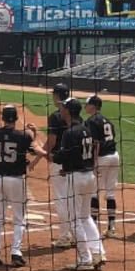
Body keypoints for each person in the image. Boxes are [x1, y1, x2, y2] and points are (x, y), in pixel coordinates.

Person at [0, 105, 45, 267]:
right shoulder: (23, 136)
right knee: (18, 218)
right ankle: (16, 253)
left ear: (2, 118)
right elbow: (38, 151)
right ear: (16, 118)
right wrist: (34, 135)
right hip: (16, 180)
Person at [51, 99, 105, 271]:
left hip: (76, 179)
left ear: (68, 111)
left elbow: (60, 157)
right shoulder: (85, 129)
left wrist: (39, 150)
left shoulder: (69, 133)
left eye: (63, 108)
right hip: (88, 176)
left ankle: (85, 259)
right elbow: (79, 154)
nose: (61, 110)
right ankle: (98, 252)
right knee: (85, 217)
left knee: (74, 220)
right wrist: (66, 168)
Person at [84, 95, 121, 237]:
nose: (85, 107)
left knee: (94, 192)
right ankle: (111, 228)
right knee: (110, 193)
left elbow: (96, 143)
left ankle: (93, 227)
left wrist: (93, 163)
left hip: (102, 158)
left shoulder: (91, 121)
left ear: (93, 106)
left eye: (87, 104)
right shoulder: (107, 120)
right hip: (114, 157)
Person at [45, 83, 74, 248]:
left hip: (59, 161)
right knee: (72, 199)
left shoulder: (56, 116)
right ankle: (76, 235)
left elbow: (51, 141)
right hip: (75, 163)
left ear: (57, 96)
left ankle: (65, 236)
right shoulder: (76, 114)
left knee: (61, 199)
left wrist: (41, 156)